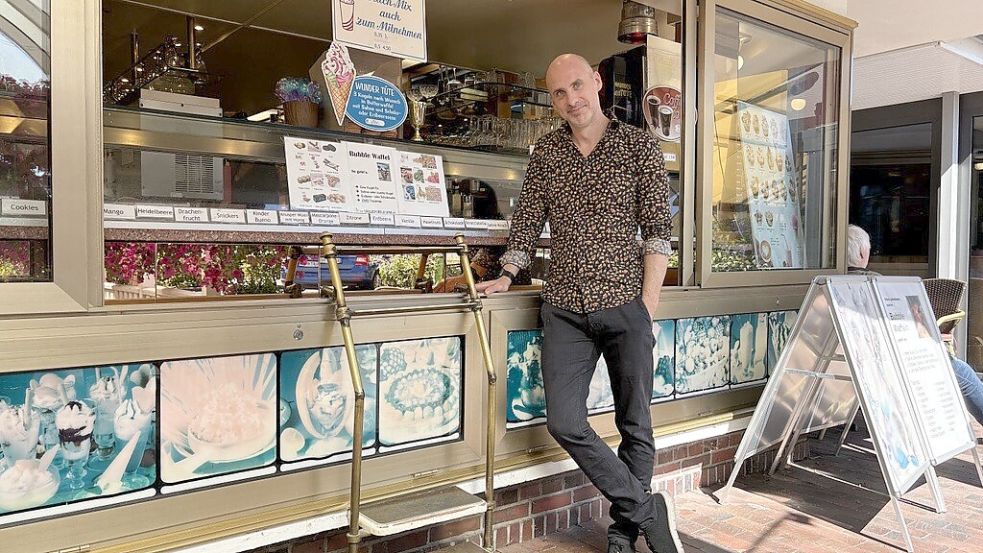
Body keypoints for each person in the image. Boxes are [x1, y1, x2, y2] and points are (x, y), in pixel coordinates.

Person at [477, 54, 682, 553]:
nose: (572, 100)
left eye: (577, 86)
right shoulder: (547, 151)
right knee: (565, 421)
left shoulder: (638, 147)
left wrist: (647, 306)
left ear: (597, 82)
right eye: (560, 94)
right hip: (565, 308)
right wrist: (507, 273)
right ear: (553, 101)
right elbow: (526, 220)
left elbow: (658, 233)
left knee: (635, 422)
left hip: (625, 304)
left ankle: (623, 531)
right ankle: (645, 507)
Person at [847, 224, 983, 425]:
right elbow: (903, 326)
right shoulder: (874, 284)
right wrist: (934, 338)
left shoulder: (832, 283)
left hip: (852, 359)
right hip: (886, 360)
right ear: (861, 253)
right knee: (961, 371)